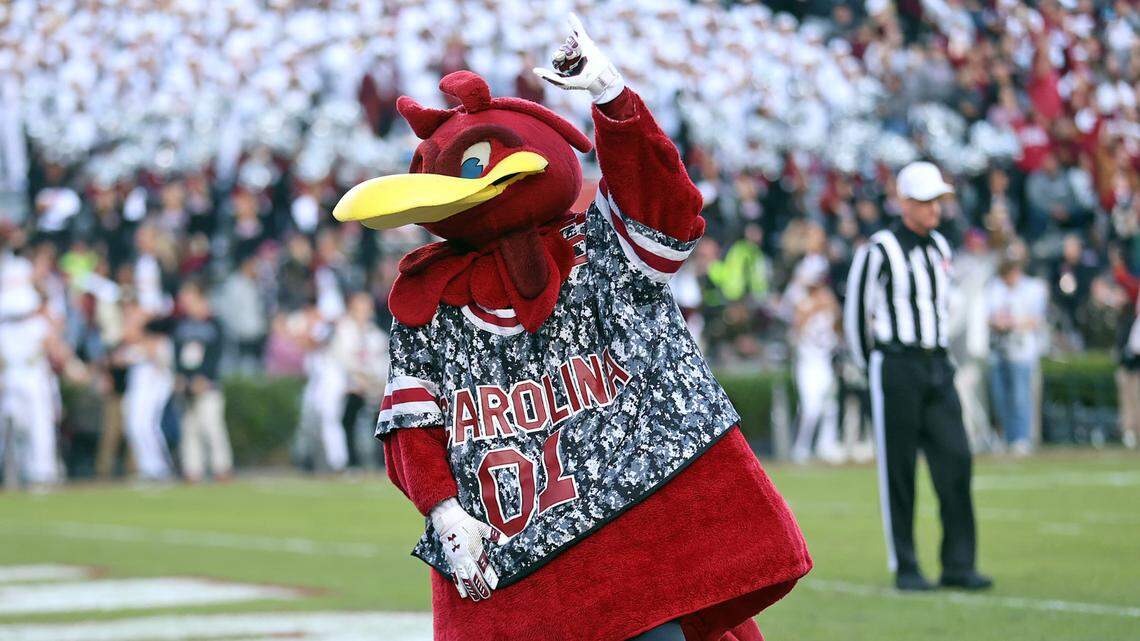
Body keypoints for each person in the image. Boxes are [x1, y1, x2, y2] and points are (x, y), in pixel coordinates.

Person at [335, 15, 810, 640]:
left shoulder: (594, 249)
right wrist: (443, 509)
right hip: (529, 553)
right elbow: (410, 426)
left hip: (640, 527)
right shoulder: (431, 299)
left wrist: (613, 102)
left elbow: (667, 212)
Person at [844, 161, 992, 591]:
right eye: (927, 201)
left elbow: (942, 307)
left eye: (938, 201)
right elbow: (857, 310)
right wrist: (872, 360)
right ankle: (906, 564)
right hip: (897, 364)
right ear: (905, 202)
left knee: (957, 460)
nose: (936, 210)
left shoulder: (940, 249)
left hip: (937, 364)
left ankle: (958, 564)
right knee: (900, 468)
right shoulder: (880, 248)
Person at [985, 258, 1048, 455]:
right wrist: (998, 322)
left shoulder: (1033, 288)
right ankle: (1007, 436)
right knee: (1000, 397)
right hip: (997, 350)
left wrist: (1011, 323)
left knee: (1020, 397)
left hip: (1022, 351)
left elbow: (1036, 319)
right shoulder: (993, 287)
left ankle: (1021, 439)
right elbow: (987, 316)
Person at [173, 280, 232, 482]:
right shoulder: (182, 325)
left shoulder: (215, 323)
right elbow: (178, 354)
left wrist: (206, 378)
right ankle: (192, 470)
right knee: (189, 429)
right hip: (187, 385)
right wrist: (179, 377)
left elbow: (216, 355)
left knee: (212, 427)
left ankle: (221, 468)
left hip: (208, 385)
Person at [789, 256, 843, 464]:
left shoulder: (828, 301)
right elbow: (797, 329)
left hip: (824, 360)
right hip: (808, 363)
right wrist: (815, 308)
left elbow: (837, 326)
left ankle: (825, 445)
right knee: (810, 409)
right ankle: (801, 447)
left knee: (830, 406)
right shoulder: (802, 303)